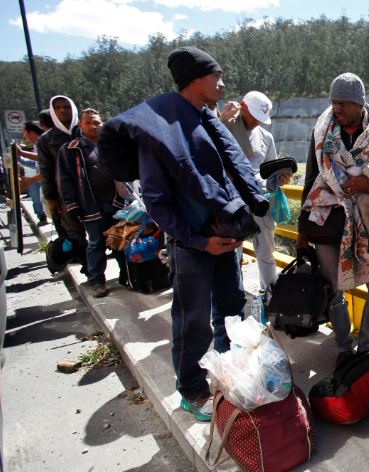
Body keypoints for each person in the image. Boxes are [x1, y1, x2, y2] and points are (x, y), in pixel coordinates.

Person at [99, 46, 268, 422]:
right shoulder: (159, 130)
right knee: (192, 321)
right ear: (195, 79)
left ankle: (229, 375)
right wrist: (199, 241)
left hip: (222, 240)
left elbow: (225, 179)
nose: (222, 83)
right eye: (216, 75)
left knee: (230, 311)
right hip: (191, 247)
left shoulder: (204, 119)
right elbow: (157, 202)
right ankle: (192, 390)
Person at [297, 72, 369, 365]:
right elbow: (312, 177)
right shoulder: (322, 132)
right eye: (333, 103)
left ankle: (367, 343)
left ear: (359, 104)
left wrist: (368, 183)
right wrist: (303, 230)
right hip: (329, 220)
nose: (336, 109)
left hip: (368, 220)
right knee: (333, 284)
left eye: (343, 104)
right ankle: (343, 342)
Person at [222, 91, 292, 291]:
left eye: (261, 119)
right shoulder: (224, 129)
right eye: (254, 117)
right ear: (242, 106)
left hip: (261, 201)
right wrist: (220, 120)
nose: (256, 123)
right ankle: (235, 302)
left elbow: (270, 173)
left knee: (266, 254)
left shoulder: (266, 138)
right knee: (233, 255)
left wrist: (280, 179)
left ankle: (270, 300)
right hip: (233, 203)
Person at [57, 109, 127, 298]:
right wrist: (70, 203)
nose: (93, 126)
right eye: (89, 123)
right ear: (80, 125)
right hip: (90, 206)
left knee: (119, 240)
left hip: (116, 203)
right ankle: (97, 282)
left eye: (97, 122)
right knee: (96, 243)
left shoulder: (110, 145)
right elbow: (64, 179)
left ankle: (126, 276)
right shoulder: (71, 149)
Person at [36, 95, 88, 266]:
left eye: (65, 106)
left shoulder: (84, 131)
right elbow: (46, 170)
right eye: (57, 107)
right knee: (75, 232)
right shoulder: (46, 140)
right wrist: (50, 197)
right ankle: (87, 267)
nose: (62, 110)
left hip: (91, 189)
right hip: (65, 193)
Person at [16, 121, 47, 225]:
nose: (24, 136)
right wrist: (20, 158)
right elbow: (36, 163)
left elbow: (46, 164)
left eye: (24, 132)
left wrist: (21, 153)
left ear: (31, 132)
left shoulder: (44, 143)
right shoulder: (37, 146)